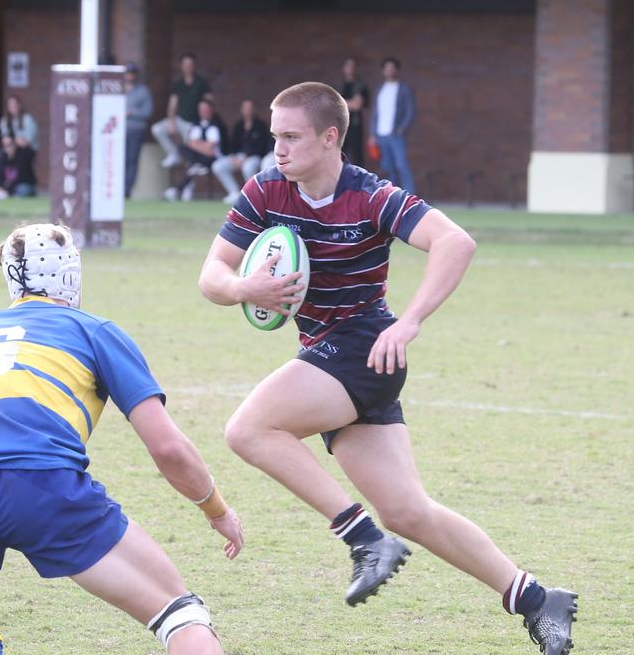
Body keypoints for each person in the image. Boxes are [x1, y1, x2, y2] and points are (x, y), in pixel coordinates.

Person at [197, 82, 577, 654]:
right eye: (275, 136)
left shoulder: (370, 195)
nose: (277, 148)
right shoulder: (266, 190)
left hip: (367, 347)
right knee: (408, 510)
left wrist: (411, 320)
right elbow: (211, 276)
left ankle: (361, 538)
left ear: (330, 138)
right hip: (329, 355)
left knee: (248, 429)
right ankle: (535, 598)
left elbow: (456, 242)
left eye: (291, 137)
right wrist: (242, 286)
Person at [0, 222, 243, 655]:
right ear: (71, 273)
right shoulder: (92, 330)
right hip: (42, 489)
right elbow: (168, 448)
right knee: (182, 615)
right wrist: (216, 509)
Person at [151, 54, 213, 170]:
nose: (188, 67)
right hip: (179, 120)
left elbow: (209, 101)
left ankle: (188, 186)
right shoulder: (178, 84)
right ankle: (173, 154)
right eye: (185, 65)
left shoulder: (201, 83)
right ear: (181, 66)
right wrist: (171, 122)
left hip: (193, 123)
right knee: (157, 129)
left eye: (190, 65)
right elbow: (172, 104)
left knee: (190, 153)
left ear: (194, 66)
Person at [368, 57, 417, 194]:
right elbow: (375, 113)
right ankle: (395, 197)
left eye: (392, 68)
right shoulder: (380, 89)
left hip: (395, 135)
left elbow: (411, 110)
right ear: (383, 71)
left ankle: (411, 196)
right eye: (387, 68)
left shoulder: (404, 88)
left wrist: (402, 128)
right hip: (380, 135)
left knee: (402, 166)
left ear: (397, 70)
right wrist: (372, 133)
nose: (389, 70)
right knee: (388, 167)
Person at [213, 98, 273, 205]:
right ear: (242, 110)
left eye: (250, 108)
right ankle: (234, 192)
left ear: (254, 109)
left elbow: (262, 146)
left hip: (254, 157)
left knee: (248, 167)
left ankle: (252, 196)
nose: (248, 111)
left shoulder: (261, 126)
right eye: (245, 108)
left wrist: (246, 157)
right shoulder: (239, 125)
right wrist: (233, 157)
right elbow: (232, 144)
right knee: (218, 166)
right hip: (238, 157)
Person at [164, 100, 225, 203]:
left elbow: (211, 150)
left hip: (211, 158)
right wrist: (202, 145)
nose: (203, 112)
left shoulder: (217, 125)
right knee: (183, 149)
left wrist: (198, 145)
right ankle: (196, 166)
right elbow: (191, 144)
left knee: (193, 163)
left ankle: (177, 190)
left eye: (206, 109)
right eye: (201, 110)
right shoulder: (196, 124)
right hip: (198, 157)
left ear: (210, 110)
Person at [124, 63, 154, 198]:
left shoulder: (143, 91)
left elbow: (147, 112)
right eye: (128, 73)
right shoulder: (118, 89)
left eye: (132, 73)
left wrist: (131, 112)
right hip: (118, 130)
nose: (130, 76)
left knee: (132, 160)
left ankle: (127, 189)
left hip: (136, 129)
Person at [337, 57, 370, 167]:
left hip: (355, 125)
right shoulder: (338, 86)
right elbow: (333, 105)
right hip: (340, 126)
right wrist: (349, 103)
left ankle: (359, 183)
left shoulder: (361, 86)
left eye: (353, 66)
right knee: (338, 156)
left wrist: (342, 102)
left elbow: (357, 105)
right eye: (348, 66)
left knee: (357, 157)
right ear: (343, 68)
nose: (350, 69)